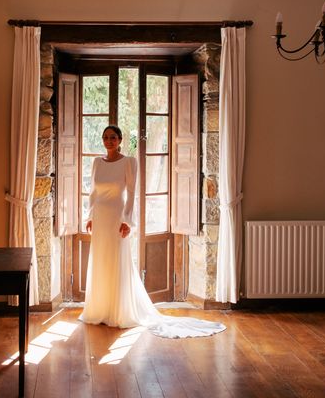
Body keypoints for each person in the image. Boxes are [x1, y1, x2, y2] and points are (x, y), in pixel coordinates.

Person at [79, 126, 225, 338]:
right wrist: (90, 217)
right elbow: (92, 191)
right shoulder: (97, 163)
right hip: (100, 219)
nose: (109, 141)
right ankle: (99, 310)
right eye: (105, 138)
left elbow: (132, 193)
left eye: (113, 138)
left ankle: (118, 312)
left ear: (120, 140)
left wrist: (127, 220)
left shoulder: (129, 162)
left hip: (116, 218)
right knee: (100, 261)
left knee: (116, 260)